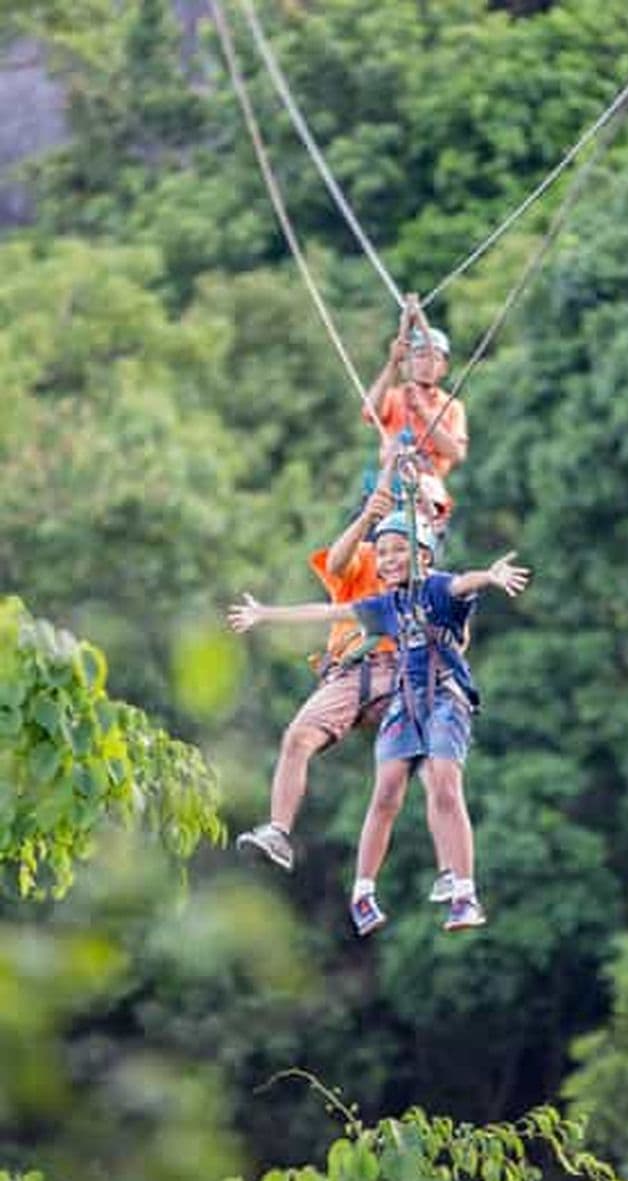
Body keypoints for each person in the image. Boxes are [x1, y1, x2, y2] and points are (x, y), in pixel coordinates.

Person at [228, 512, 530, 935]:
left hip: (444, 697)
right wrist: (266, 614)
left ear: (422, 556)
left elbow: (464, 583)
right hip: (406, 701)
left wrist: (492, 576)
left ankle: (463, 891)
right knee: (386, 790)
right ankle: (363, 893)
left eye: (396, 552)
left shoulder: (438, 588)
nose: (385, 561)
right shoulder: (386, 607)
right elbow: (329, 611)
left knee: (443, 780)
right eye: (382, 553)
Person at [233, 481, 453, 899]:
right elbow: (334, 578)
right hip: (352, 671)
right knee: (298, 737)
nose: (390, 557)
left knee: (427, 771)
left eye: (434, 510)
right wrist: (370, 516)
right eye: (421, 506)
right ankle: (279, 831)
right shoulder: (372, 558)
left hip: (405, 672)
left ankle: (449, 869)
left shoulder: (436, 582)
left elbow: (455, 637)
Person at [364, 296, 467, 529]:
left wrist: (423, 412)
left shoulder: (451, 406)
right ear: (406, 363)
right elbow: (371, 412)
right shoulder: (394, 396)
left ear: (444, 367)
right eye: (419, 356)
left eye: (435, 358)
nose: (427, 363)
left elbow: (456, 453)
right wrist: (392, 363)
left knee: (423, 541)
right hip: (391, 482)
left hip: (428, 488)